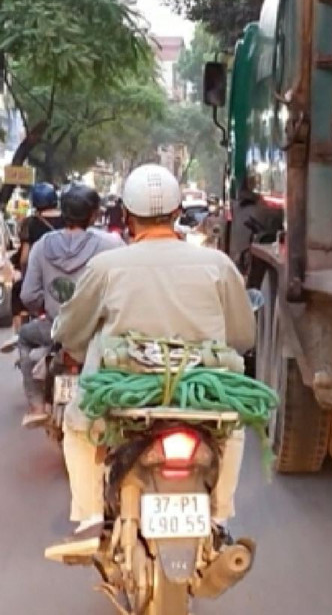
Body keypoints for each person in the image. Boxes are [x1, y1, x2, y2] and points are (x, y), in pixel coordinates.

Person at [45, 164, 256, 562]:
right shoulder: (218, 265)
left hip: (124, 393)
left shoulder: (107, 268)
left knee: (77, 428)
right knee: (234, 427)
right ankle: (220, 515)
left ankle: (91, 516)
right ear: (177, 213)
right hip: (202, 392)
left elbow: (72, 333)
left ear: (126, 215)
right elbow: (243, 336)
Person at [16, 183, 123, 427]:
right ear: (94, 214)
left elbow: (29, 295)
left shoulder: (42, 245)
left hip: (56, 329)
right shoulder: (112, 244)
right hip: (97, 333)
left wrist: (47, 308)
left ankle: (35, 405)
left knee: (24, 336)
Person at [12, 183, 63, 330]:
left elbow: (24, 259)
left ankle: (19, 334)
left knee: (17, 292)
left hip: (38, 278)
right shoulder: (67, 220)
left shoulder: (30, 223)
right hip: (63, 278)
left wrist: (24, 274)